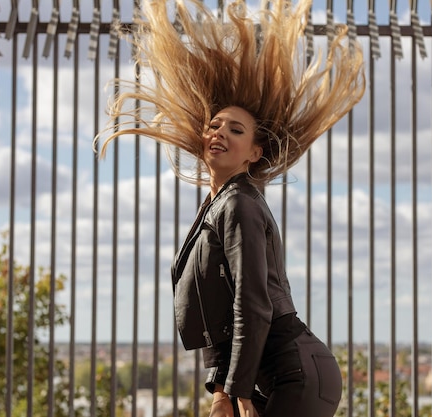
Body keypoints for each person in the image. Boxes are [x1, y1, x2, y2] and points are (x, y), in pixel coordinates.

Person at [96, 1, 365, 416]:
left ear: (255, 152)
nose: (219, 133)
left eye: (235, 130)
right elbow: (217, 312)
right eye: (215, 125)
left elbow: (252, 302)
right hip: (274, 373)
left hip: (295, 373)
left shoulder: (239, 203)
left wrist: (237, 392)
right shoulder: (217, 205)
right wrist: (222, 392)